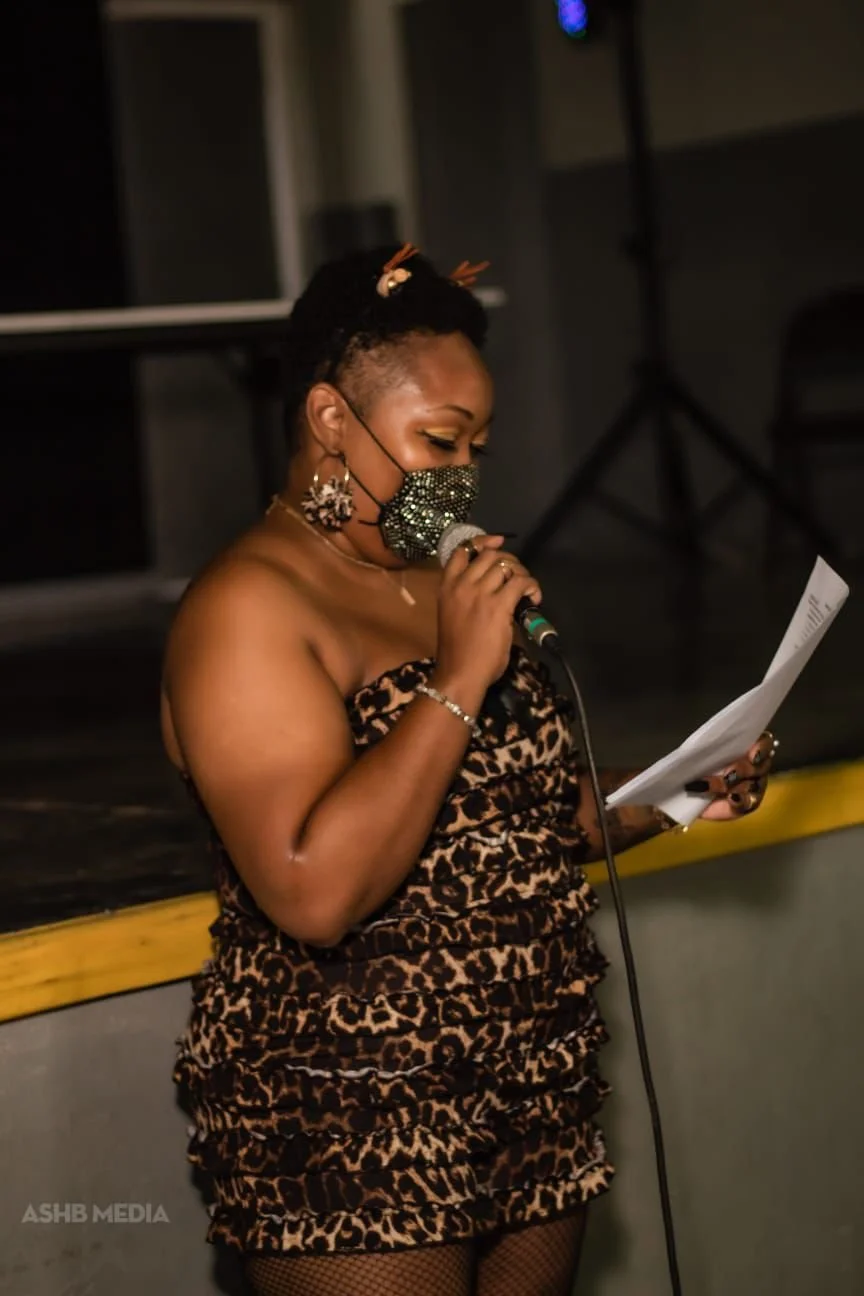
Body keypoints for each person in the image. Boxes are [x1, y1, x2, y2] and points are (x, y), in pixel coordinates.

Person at [163, 244, 776, 1296]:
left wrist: (681, 788)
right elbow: (312, 891)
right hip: (354, 1103)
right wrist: (459, 678)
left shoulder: (435, 581)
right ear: (328, 421)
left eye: (476, 448)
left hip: (527, 1079)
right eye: (438, 441)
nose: (462, 477)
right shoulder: (248, 608)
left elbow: (521, 821)